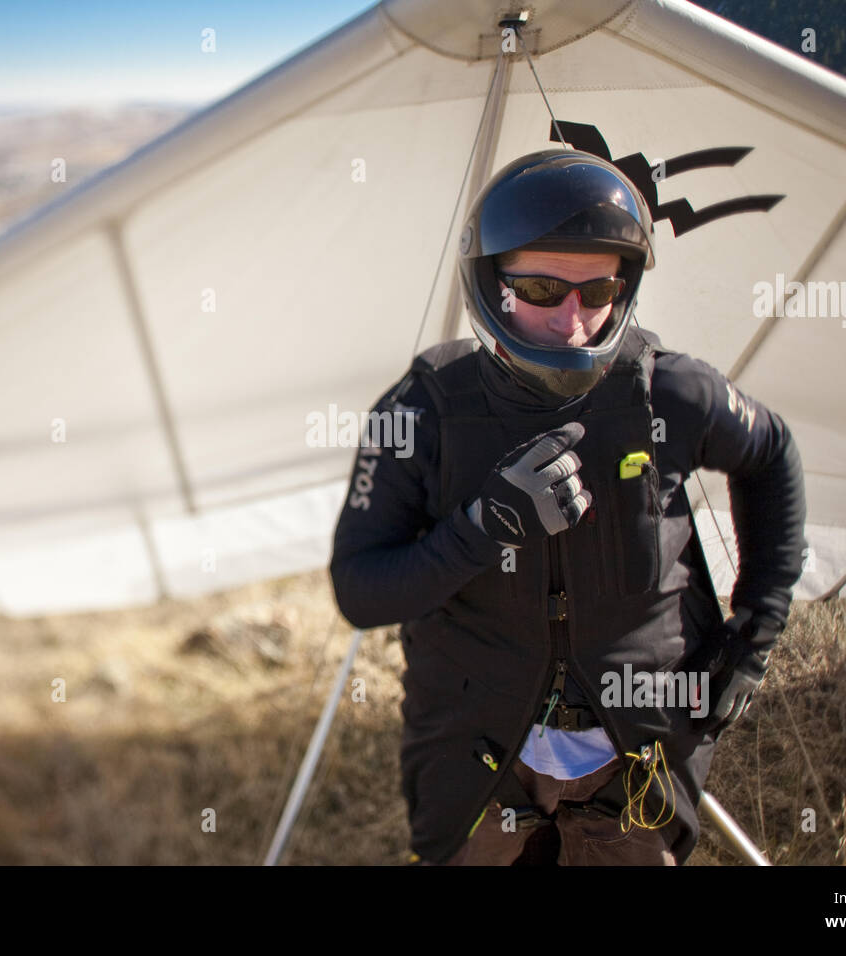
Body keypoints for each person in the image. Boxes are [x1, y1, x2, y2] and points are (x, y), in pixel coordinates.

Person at [329, 149, 807, 866]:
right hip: (478, 764)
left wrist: (755, 634)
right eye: (543, 287)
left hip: (636, 756)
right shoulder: (426, 409)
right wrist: (481, 529)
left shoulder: (670, 394)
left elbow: (772, 453)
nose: (573, 320)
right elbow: (361, 590)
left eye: (600, 290)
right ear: (492, 282)